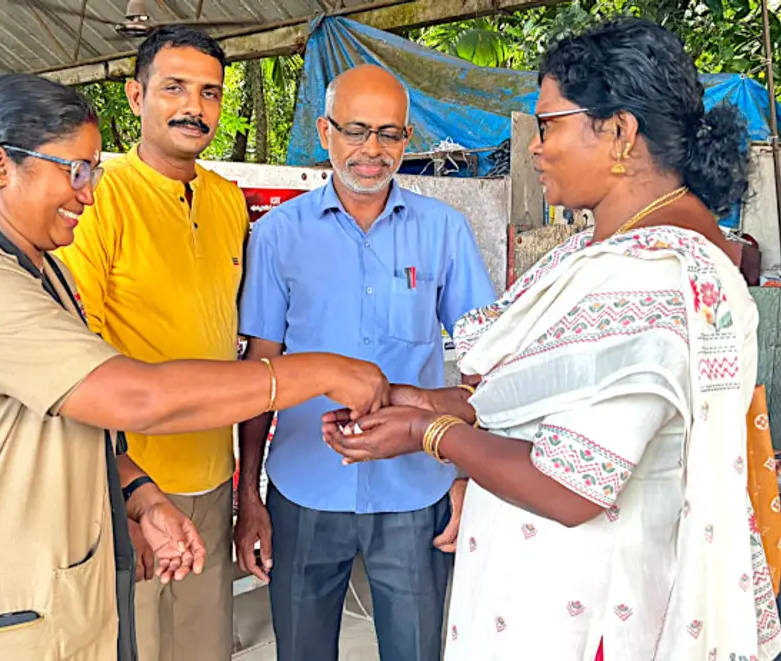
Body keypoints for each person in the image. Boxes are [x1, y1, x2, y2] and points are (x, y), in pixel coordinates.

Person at [0, 73, 388, 661]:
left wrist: (140, 495)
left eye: (93, 172)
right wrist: (320, 373)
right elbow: (134, 398)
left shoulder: (41, 268)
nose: (87, 195)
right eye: (74, 171)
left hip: (45, 586)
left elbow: (70, 417)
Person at [322, 18, 781, 661]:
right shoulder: (605, 251)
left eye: (548, 124)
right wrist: (424, 401)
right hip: (551, 595)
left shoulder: (652, 273)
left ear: (619, 132)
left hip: (588, 616)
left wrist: (427, 433)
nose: (535, 148)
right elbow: (543, 397)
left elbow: (572, 488)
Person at [235, 64, 497, 661]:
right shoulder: (277, 235)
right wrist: (250, 497)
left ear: (408, 138)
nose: (372, 150)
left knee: (416, 651)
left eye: (389, 133)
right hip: (304, 487)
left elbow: (485, 366)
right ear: (324, 131)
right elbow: (258, 374)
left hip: (417, 489)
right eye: (355, 131)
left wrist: (466, 477)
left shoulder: (444, 231)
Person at [54, 26, 248, 661]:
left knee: (204, 645)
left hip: (213, 476)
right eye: (175, 88)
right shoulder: (99, 200)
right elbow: (75, 349)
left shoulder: (228, 201)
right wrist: (123, 490)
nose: (195, 107)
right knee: (131, 644)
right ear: (136, 97)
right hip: (128, 482)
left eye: (209, 93)